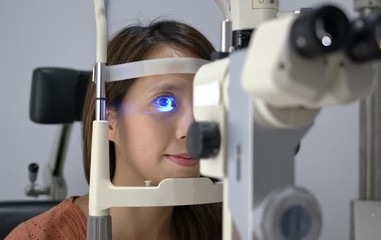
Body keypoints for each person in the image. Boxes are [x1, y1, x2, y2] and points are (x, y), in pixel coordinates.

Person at [6, 20, 222, 240]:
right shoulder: (41, 236)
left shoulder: (230, 227)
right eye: (164, 102)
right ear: (108, 120)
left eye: (204, 103)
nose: (191, 129)